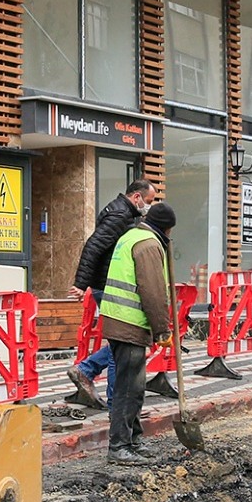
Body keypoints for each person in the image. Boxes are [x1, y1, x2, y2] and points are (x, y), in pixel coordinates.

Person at [67, 178, 156, 409]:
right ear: (136, 197)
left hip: (108, 284)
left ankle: (87, 371)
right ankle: (117, 404)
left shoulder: (123, 212)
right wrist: (81, 283)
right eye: (148, 201)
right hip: (109, 285)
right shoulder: (120, 216)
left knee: (121, 340)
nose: (149, 206)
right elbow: (94, 246)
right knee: (123, 340)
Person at [98, 201, 176, 466]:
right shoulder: (149, 245)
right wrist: (162, 329)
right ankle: (119, 446)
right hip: (129, 323)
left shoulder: (130, 236)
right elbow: (152, 292)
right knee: (129, 388)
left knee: (134, 386)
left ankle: (133, 440)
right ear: (166, 229)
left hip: (117, 319)